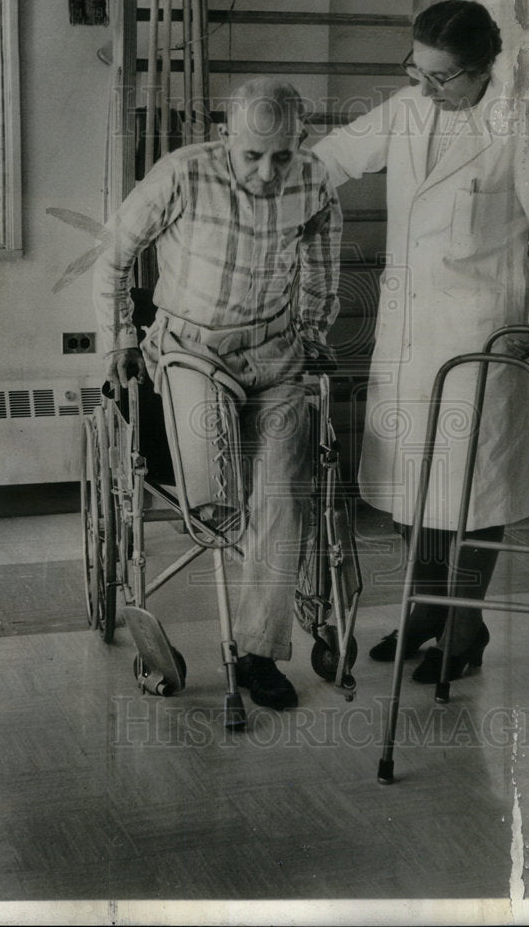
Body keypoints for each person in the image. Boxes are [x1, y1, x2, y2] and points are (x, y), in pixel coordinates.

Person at [312, 0, 529, 683]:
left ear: (483, 67)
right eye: (419, 70)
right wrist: (238, 171)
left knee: (472, 492)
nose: (429, 88)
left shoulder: (519, 131)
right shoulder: (406, 111)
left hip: (482, 340)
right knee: (410, 486)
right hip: (406, 333)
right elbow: (330, 159)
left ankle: (465, 626)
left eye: (444, 77)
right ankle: (424, 609)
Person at [93, 78, 342, 709]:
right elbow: (113, 256)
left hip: (275, 354)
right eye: (252, 154)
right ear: (225, 134)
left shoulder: (314, 181)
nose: (266, 171)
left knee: (282, 498)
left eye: (281, 155)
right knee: (214, 500)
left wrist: (312, 333)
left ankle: (258, 653)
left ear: (300, 142)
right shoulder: (182, 174)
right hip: (190, 352)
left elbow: (322, 269)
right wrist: (121, 340)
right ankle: (181, 618)